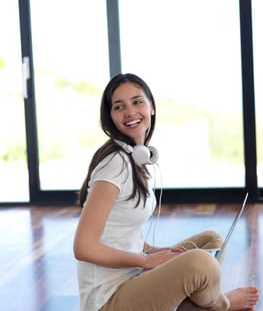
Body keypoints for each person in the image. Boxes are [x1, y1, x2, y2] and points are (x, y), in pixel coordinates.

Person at [73, 73, 259, 311]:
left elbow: (122, 230)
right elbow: (83, 247)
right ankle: (220, 304)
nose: (130, 111)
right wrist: (146, 260)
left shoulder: (136, 158)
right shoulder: (115, 164)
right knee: (201, 263)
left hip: (136, 274)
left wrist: (152, 250)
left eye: (137, 102)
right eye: (119, 107)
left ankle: (193, 305)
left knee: (211, 240)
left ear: (151, 107)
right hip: (110, 299)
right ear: (110, 117)